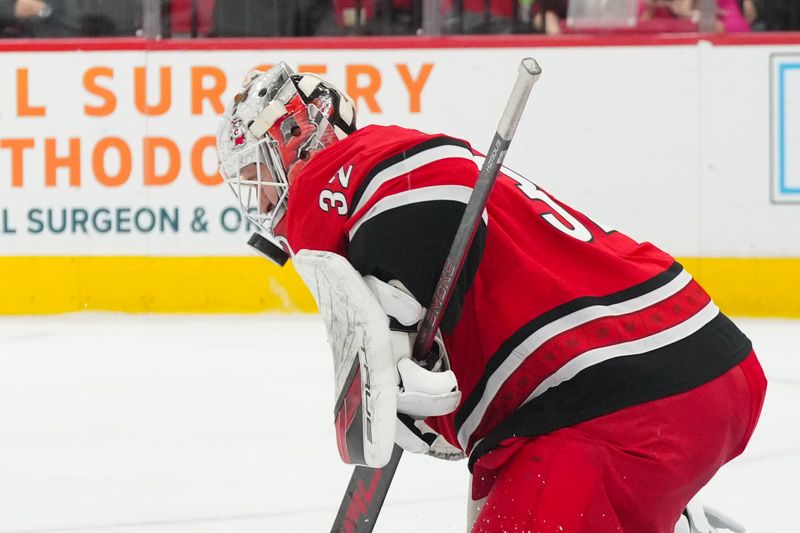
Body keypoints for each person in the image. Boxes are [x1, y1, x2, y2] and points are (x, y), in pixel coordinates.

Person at [216, 63, 767, 532]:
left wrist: (399, 314)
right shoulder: (388, 165)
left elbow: (439, 189)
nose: (263, 197)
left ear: (301, 137)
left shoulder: (341, 174)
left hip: (618, 400)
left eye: (260, 171)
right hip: (687, 361)